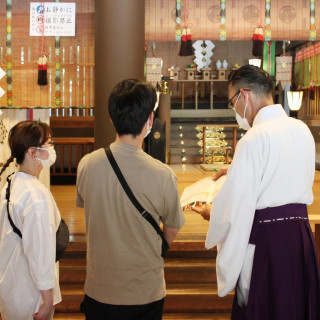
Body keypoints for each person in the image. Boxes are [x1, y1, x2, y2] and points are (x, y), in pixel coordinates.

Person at [193, 65, 320, 319]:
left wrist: (212, 212)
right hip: (299, 235)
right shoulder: (302, 130)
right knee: (297, 302)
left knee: (267, 307)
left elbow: (236, 207)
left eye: (233, 102)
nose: (235, 110)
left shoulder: (252, 139)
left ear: (244, 95)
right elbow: (281, 172)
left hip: (268, 241)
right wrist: (236, 169)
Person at [76, 79, 185, 320]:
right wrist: (159, 248)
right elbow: (173, 227)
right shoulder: (163, 174)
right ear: (149, 121)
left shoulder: (87, 164)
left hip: (99, 289)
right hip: (145, 291)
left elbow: (88, 208)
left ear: (112, 119)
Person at [0, 120, 61, 320]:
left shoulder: (12, 184)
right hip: (31, 297)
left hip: (11, 289)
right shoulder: (36, 196)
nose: (52, 149)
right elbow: (40, 250)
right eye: (49, 144)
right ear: (32, 152)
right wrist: (47, 299)